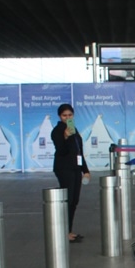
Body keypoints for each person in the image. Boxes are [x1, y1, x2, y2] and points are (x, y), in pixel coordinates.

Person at [51, 103, 90, 242]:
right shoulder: (57, 131)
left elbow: (79, 151)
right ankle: (63, 231)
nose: (67, 118)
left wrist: (85, 170)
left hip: (75, 168)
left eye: (70, 115)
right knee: (67, 200)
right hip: (64, 168)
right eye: (64, 115)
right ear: (60, 116)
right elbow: (61, 150)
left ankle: (68, 230)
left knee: (74, 200)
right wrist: (65, 137)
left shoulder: (74, 129)